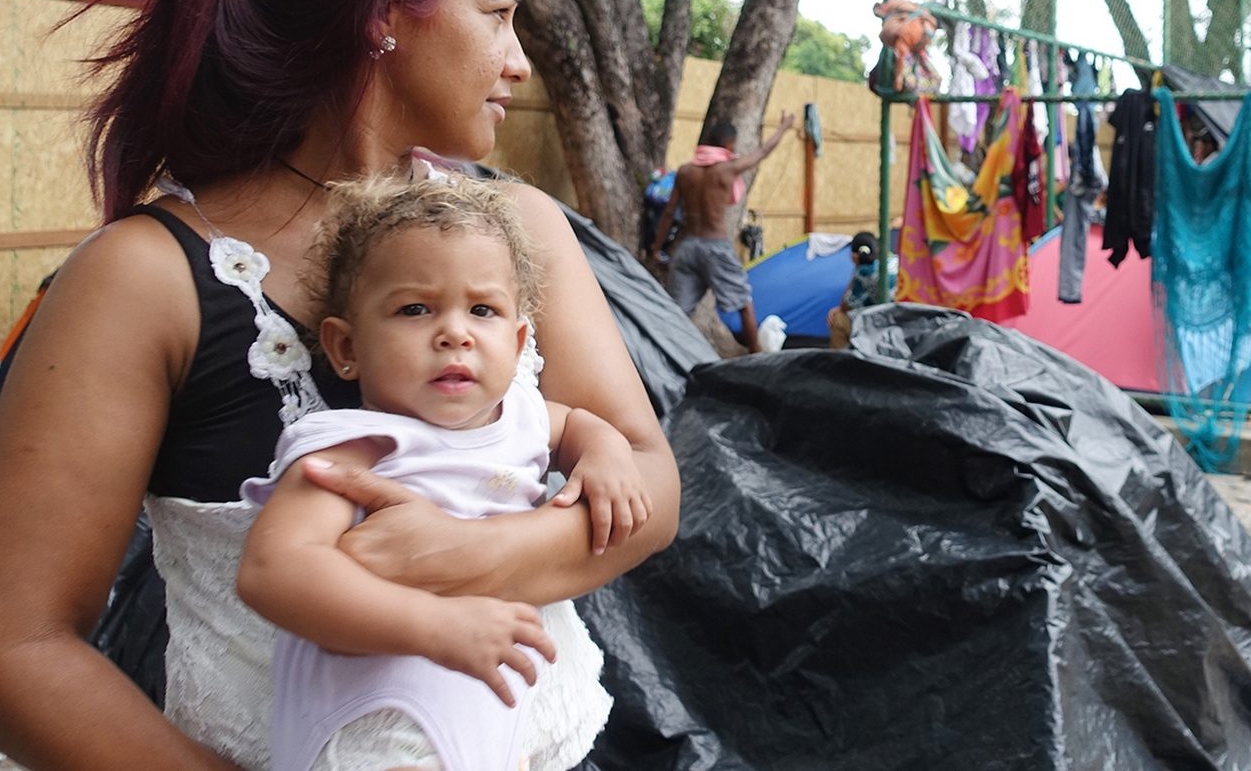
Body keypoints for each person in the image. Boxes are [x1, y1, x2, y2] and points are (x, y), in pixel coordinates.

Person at [0, 0, 678, 770]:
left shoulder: (520, 231)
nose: (518, 61)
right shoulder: (148, 279)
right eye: (497, 14)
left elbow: (648, 481)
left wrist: (464, 555)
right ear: (383, 14)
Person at [238, 175, 642, 770]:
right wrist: (433, 624)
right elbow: (274, 569)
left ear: (518, 338)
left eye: (483, 309)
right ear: (345, 347)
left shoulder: (523, 417)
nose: (455, 332)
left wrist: (606, 453)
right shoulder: (354, 447)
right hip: (380, 725)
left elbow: (578, 423)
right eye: (415, 309)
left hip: (489, 716)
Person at [653, 113, 796, 352]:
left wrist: (658, 248)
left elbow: (669, 212)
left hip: (687, 248)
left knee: (677, 311)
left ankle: (665, 354)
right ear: (729, 144)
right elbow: (762, 152)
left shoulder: (685, 171)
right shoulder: (727, 170)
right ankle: (757, 358)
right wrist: (783, 127)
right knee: (744, 305)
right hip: (715, 247)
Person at [825, 231, 883, 349]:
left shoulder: (863, 272)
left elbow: (847, 304)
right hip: (897, 317)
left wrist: (856, 268)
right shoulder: (891, 261)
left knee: (838, 319)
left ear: (855, 255)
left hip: (878, 323)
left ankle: (839, 361)